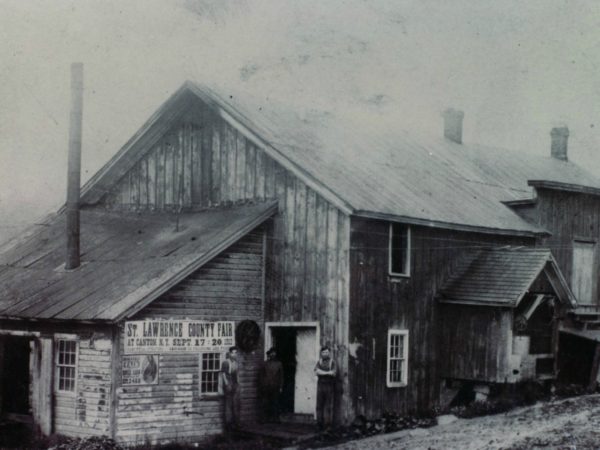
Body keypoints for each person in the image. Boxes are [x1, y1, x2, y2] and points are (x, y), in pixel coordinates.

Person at [314, 345, 336, 431]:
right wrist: (327, 372)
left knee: (328, 406)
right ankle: (319, 425)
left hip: (329, 386)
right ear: (321, 353)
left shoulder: (332, 362)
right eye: (323, 352)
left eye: (327, 352)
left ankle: (328, 426)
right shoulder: (319, 362)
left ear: (329, 353)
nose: (325, 354)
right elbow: (316, 372)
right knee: (319, 406)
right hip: (320, 386)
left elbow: (334, 373)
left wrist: (321, 372)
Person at [259, 347, 283, 423]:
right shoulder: (264, 364)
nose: (273, 354)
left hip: (275, 386)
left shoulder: (279, 364)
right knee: (265, 403)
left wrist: (281, 386)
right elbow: (261, 376)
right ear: (268, 355)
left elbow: (281, 376)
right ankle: (264, 419)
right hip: (266, 386)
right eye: (271, 353)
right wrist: (262, 385)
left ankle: (275, 418)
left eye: (274, 353)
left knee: (275, 402)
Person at [220, 346, 241, 431]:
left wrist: (238, 384)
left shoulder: (236, 363)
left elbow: (237, 375)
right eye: (233, 353)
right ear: (229, 354)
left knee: (235, 403)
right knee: (228, 404)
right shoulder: (226, 362)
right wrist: (227, 384)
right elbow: (223, 374)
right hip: (228, 384)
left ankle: (235, 423)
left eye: (236, 353)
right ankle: (228, 424)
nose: (234, 354)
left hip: (234, 384)